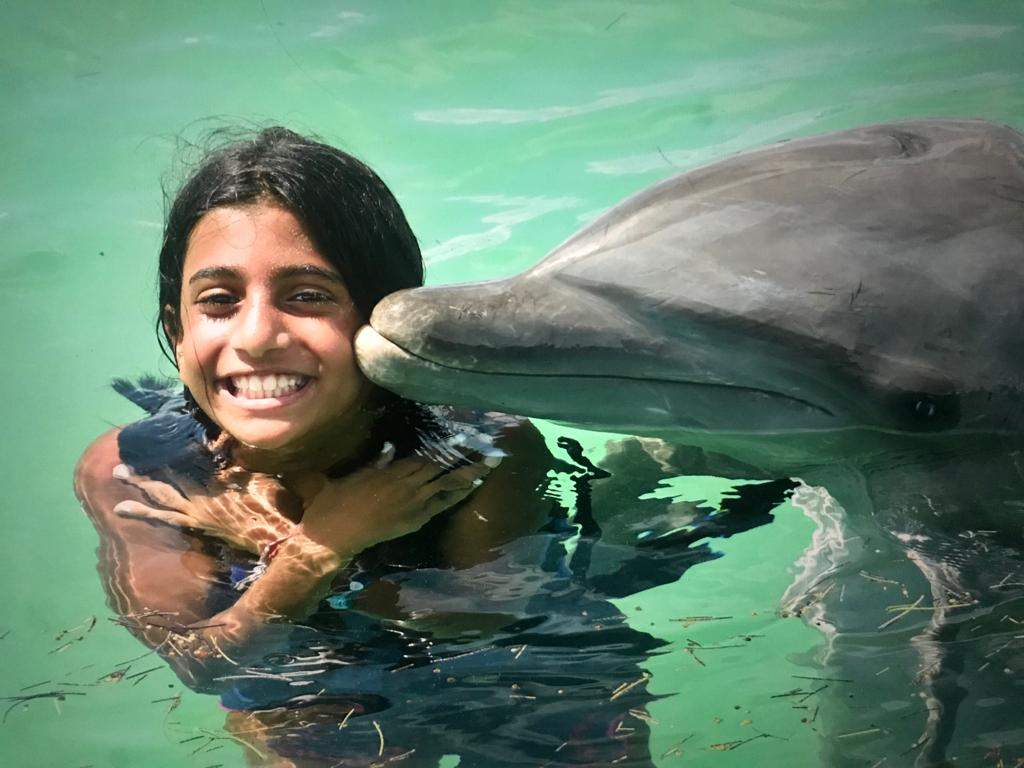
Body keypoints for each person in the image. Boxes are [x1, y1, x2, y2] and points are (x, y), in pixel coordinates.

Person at [74, 128, 668, 767]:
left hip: (529, 671)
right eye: (219, 301)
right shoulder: (138, 471)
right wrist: (316, 548)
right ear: (176, 329)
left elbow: (471, 622)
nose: (256, 337)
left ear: (383, 316)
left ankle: (648, 468)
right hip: (318, 699)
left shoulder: (478, 450)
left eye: (308, 296)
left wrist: (290, 552)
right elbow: (200, 663)